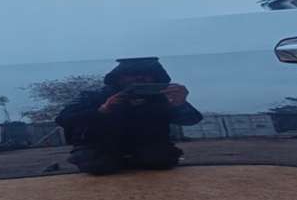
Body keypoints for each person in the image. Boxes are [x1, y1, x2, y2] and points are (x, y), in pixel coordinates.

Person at [55, 57, 203, 175]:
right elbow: (63, 118)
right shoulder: (93, 96)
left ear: (156, 78)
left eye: (147, 75)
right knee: (98, 165)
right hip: (100, 148)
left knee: (160, 160)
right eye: (131, 74)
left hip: (149, 149)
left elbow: (192, 120)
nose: (140, 78)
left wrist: (180, 104)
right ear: (118, 77)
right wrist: (102, 110)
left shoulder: (163, 98)